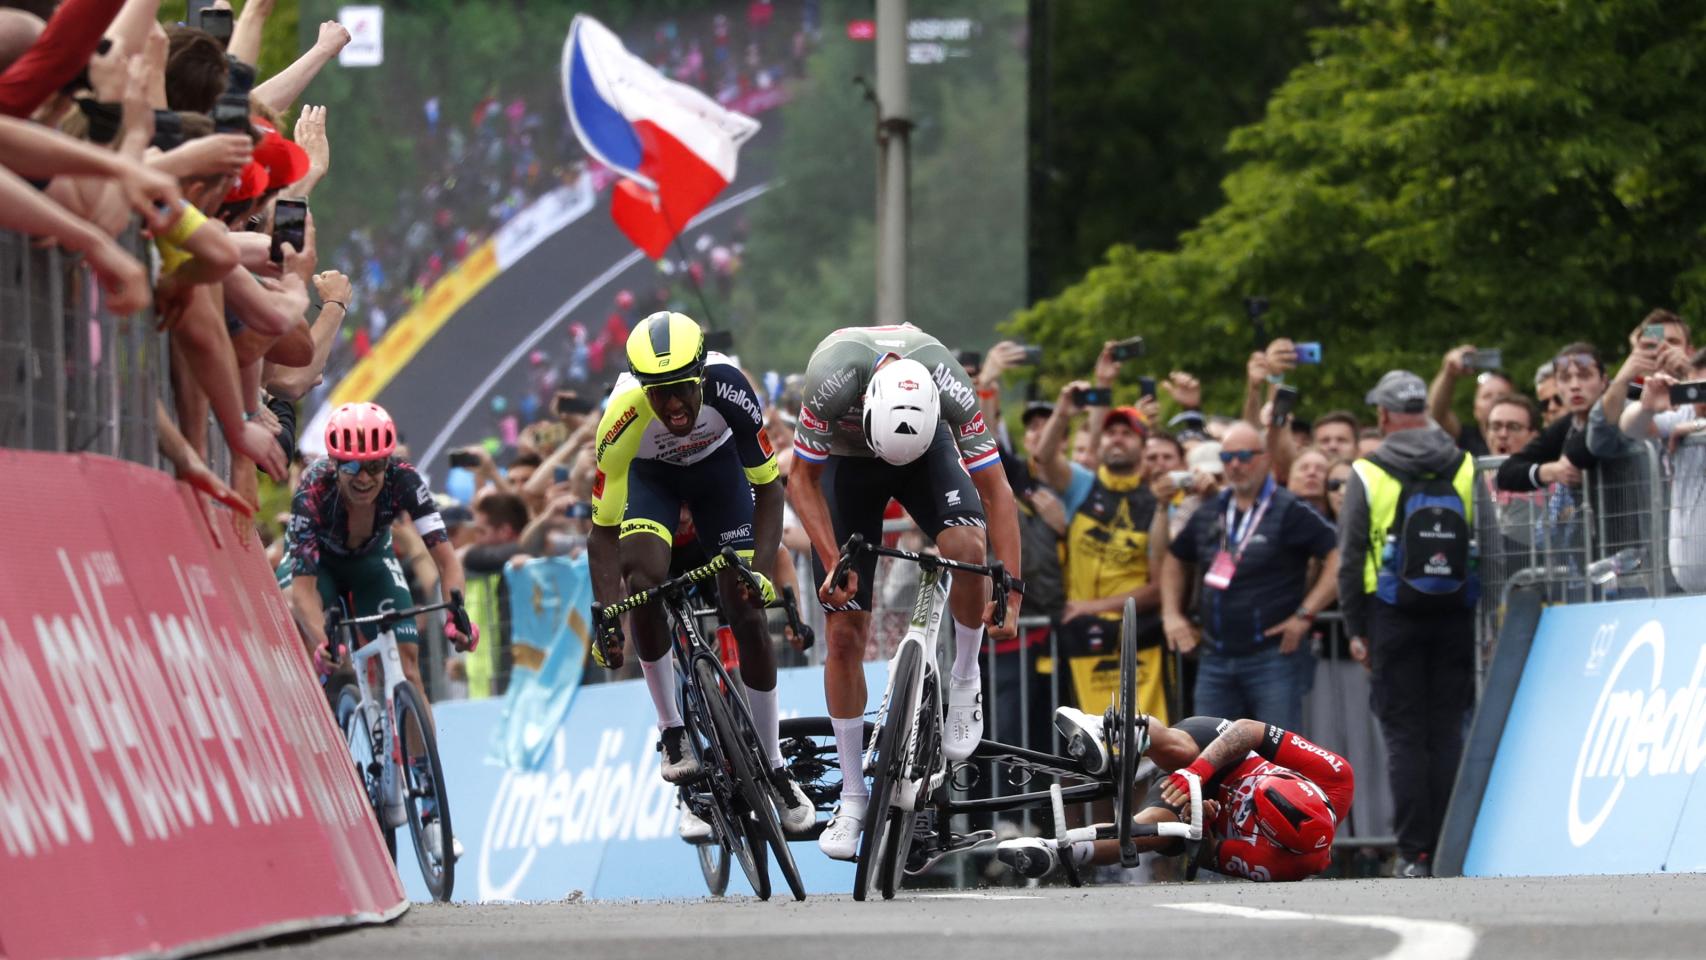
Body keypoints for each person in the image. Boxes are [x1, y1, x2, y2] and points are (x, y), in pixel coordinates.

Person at [787, 323, 1022, 861]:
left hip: (926, 452)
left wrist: (1011, 590)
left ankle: (965, 674)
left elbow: (998, 491)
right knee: (844, 629)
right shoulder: (831, 380)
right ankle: (852, 797)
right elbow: (800, 480)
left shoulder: (949, 383)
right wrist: (833, 562)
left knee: (968, 545)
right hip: (850, 463)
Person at [586, 312, 814, 837]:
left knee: (745, 606)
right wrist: (605, 615)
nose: (672, 406)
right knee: (643, 584)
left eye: (682, 391)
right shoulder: (621, 418)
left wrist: (757, 574)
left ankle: (774, 763)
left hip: (718, 471)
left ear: (701, 377)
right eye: (658, 393)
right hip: (651, 480)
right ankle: (673, 731)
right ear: (641, 387)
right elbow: (601, 533)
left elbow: (771, 490)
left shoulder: (730, 388)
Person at [286, 401, 477, 863]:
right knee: (327, 654)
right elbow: (304, 592)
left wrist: (456, 613)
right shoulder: (312, 490)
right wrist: (324, 641)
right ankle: (335, 741)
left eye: (374, 466)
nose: (365, 477)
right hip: (322, 571)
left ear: (387, 462)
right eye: (352, 466)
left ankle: (428, 803)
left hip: (372, 563)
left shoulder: (405, 480)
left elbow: (446, 560)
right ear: (334, 463)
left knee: (408, 668)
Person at [1336, 370, 1477, 878]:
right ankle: (1448, 849)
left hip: (1391, 613)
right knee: (1446, 733)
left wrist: (1355, 628)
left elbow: (1350, 556)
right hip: (1454, 610)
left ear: (1383, 415)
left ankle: (1414, 852)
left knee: (1404, 736)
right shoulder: (1464, 464)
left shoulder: (1368, 470)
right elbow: (1484, 540)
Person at [999, 713, 1354, 882]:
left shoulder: (1281, 866)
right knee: (1181, 748)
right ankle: (1105, 728)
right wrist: (1196, 771)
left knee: (1153, 832)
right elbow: (1248, 730)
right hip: (1227, 757)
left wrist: (1205, 824)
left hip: (1203, 814)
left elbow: (1207, 854)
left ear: (1274, 839)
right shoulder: (1336, 776)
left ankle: (1054, 850)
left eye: (1251, 811)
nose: (1242, 801)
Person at [1161, 423, 1340, 733]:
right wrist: (1171, 614)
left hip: (1272, 658)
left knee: (1276, 757)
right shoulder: (1211, 511)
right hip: (1215, 656)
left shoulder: (1290, 508)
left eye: (1244, 456)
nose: (1235, 464)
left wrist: (1306, 613)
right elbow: (1175, 557)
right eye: (1227, 456)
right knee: (1208, 753)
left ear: (1265, 459)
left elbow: (1339, 555)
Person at [1428, 345, 1514, 457]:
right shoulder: (1465, 438)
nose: (1495, 400)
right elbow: (1436, 415)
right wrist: (1448, 373)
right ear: (1475, 410)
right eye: (1487, 396)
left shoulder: (1532, 440)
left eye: (1502, 395)